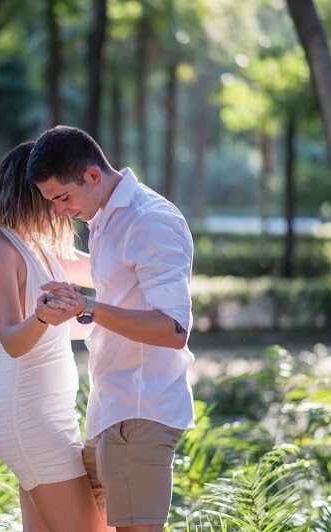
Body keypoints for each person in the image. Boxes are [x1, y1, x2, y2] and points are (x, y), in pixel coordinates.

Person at [27, 126, 195, 531]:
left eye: (63, 198)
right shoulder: (106, 219)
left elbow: (174, 329)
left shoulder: (149, 220)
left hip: (140, 410)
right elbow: (120, 298)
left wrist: (88, 306)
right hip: (113, 409)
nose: (59, 212)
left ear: (92, 175)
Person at [0, 141, 109, 532]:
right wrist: (43, 317)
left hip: (51, 417)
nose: (59, 209)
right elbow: (13, 341)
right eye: (51, 198)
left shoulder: (36, 245)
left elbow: (105, 270)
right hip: (30, 421)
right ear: (27, 193)